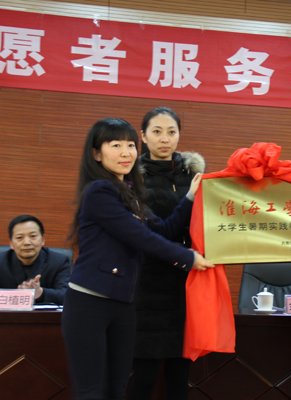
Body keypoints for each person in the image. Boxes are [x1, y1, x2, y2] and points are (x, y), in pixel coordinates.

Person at [61, 117, 214, 400]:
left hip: (124, 303)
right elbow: (141, 238)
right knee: (91, 391)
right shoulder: (99, 192)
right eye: (115, 145)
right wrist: (188, 258)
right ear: (97, 154)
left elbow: (163, 230)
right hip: (89, 302)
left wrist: (190, 198)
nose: (126, 153)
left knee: (116, 388)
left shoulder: (130, 193)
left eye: (130, 145)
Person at [128, 107, 205, 400]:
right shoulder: (132, 179)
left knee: (180, 374)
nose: (165, 139)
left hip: (186, 281)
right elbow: (160, 233)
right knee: (143, 375)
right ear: (143, 136)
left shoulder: (194, 175)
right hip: (148, 281)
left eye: (172, 132)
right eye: (157, 132)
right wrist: (189, 198)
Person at [0, 214, 70, 304]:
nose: (27, 242)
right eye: (19, 237)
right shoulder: (1, 261)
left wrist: (40, 293)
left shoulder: (59, 262)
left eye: (33, 236)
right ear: (11, 244)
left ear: (43, 240)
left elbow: (67, 296)